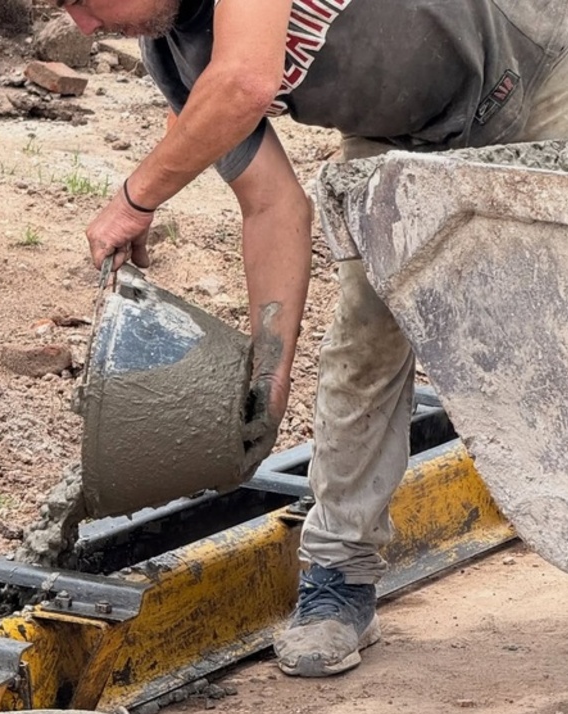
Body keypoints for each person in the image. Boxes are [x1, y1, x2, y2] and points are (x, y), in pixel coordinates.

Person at [54, 0, 568, 677]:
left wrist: (135, 197)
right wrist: (269, 375)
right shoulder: (178, 58)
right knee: (365, 340)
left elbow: (247, 80)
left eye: (84, 2)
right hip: (403, 139)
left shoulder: (225, 66)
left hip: (543, 71)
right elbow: (272, 206)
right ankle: (338, 578)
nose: (84, 27)